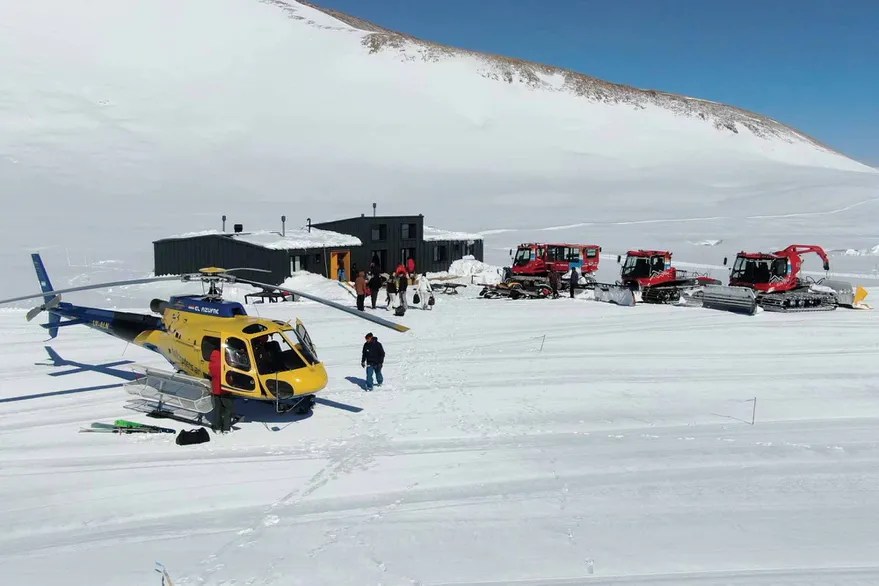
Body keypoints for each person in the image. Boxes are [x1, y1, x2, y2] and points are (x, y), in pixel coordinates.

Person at [208, 348, 234, 432]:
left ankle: (217, 427)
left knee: (217, 408)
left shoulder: (212, 364)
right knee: (228, 408)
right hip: (225, 389)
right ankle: (226, 427)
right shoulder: (225, 363)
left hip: (215, 390)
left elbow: (210, 374)